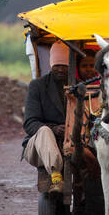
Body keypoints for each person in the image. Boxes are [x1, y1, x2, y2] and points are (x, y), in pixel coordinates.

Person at [23, 41, 69, 194]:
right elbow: (29, 123)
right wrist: (55, 129)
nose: (61, 70)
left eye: (64, 66)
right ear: (51, 65)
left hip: (71, 144)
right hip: (39, 148)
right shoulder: (38, 86)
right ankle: (56, 177)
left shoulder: (79, 86)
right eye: (57, 66)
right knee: (44, 131)